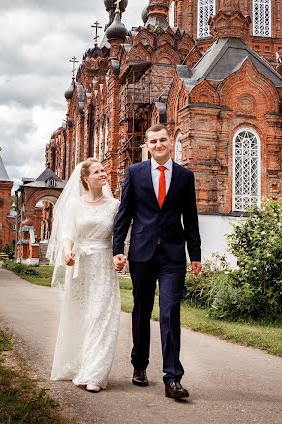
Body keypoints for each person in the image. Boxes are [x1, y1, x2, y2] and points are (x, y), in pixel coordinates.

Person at [113, 124, 202, 400]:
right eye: (153, 141)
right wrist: (118, 249)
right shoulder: (134, 173)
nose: (158, 144)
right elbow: (124, 214)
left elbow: (191, 217)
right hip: (141, 251)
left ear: (171, 142)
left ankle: (173, 377)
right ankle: (139, 364)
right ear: (148, 146)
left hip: (173, 255)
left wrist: (195, 254)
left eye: (163, 139)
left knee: (170, 311)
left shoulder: (185, 176)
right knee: (142, 310)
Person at [47, 158, 121, 393]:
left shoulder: (115, 205)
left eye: (104, 170)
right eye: (97, 171)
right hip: (80, 266)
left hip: (103, 265)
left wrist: (120, 256)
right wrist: (68, 251)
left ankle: (95, 374)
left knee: (101, 317)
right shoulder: (75, 205)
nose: (103, 173)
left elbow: (119, 237)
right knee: (81, 316)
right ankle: (78, 364)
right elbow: (68, 232)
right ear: (86, 178)